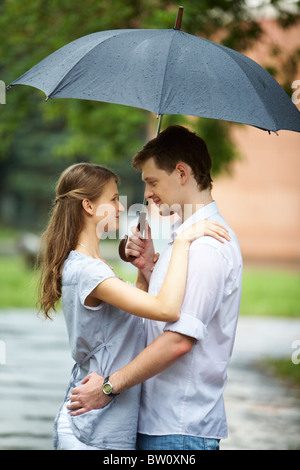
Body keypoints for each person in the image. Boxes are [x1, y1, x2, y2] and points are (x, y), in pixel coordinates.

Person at [68, 126, 243, 451]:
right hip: (157, 424)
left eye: (152, 181)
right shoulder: (183, 239)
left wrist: (107, 387)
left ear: (181, 173)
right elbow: (156, 318)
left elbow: (177, 341)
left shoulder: (206, 247)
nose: (146, 193)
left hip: (178, 430)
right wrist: (147, 271)